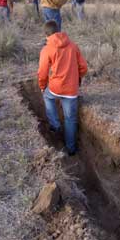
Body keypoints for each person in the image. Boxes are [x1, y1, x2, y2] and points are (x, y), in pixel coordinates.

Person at [37, 20, 88, 155]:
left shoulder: (46, 49)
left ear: (46, 35)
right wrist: (77, 78)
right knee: (70, 119)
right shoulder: (73, 45)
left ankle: (55, 125)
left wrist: (42, 86)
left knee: (47, 96)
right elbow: (83, 67)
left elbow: (42, 72)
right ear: (59, 30)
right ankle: (71, 149)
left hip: (55, 88)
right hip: (71, 90)